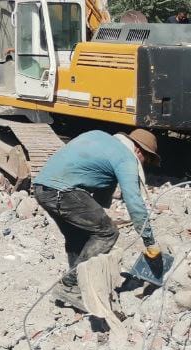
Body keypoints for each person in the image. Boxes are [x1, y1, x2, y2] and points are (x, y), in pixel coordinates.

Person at [31, 128, 162, 311]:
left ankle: (76, 288)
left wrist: (99, 217)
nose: (144, 164)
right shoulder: (126, 158)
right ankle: (70, 284)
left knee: (81, 237)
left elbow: (100, 193)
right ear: (140, 151)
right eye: (146, 160)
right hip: (63, 191)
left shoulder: (102, 139)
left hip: (42, 188)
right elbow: (135, 203)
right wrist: (150, 242)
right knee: (108, 233)